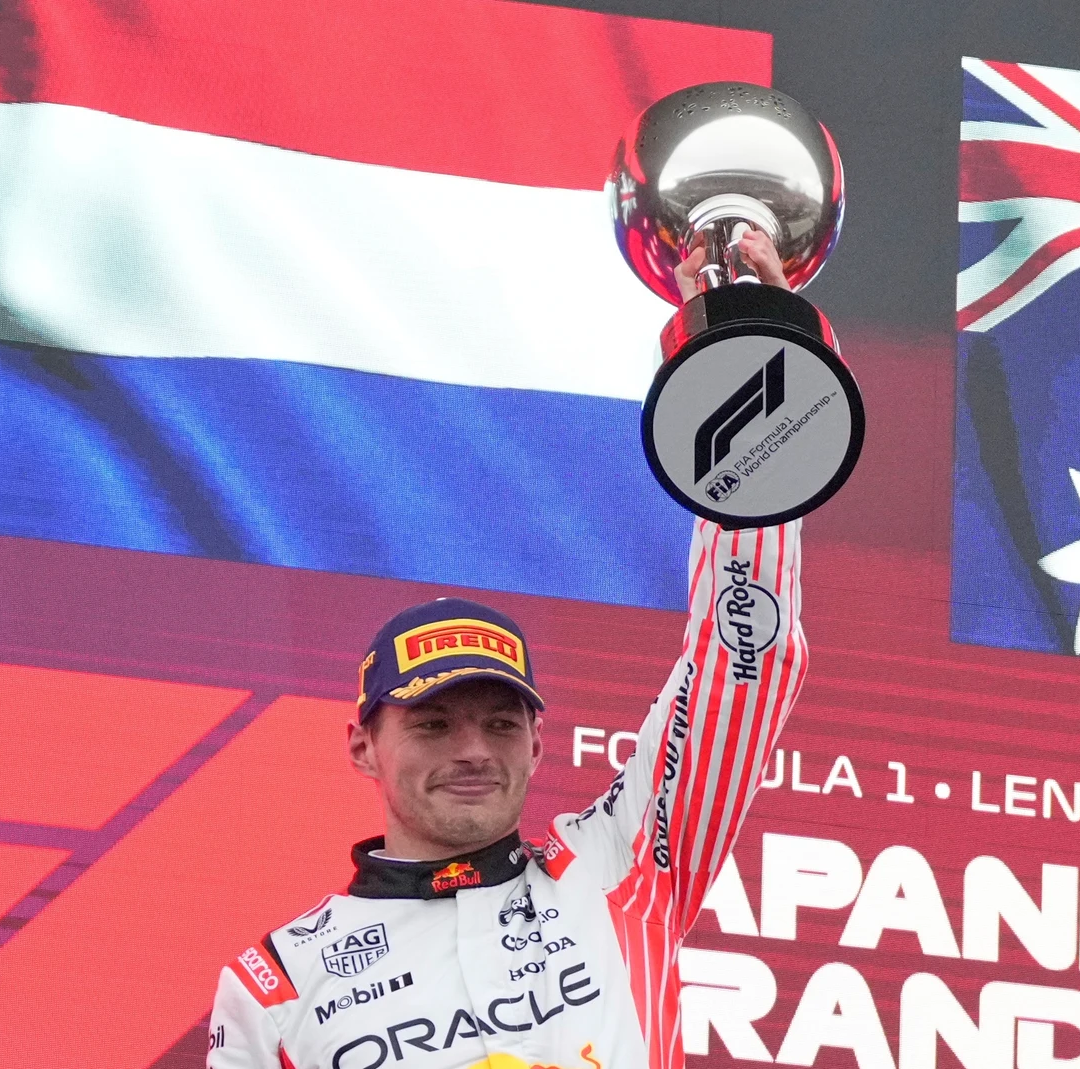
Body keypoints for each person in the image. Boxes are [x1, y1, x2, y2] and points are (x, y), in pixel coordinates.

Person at [208, 231, 806, 1069]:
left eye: (499, 721)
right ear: (362, 744)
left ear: (537, 742)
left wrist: (757, 384)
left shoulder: (622, 863)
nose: (472, 750)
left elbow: (741, 663)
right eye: (433, 724)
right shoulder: (275, 983)